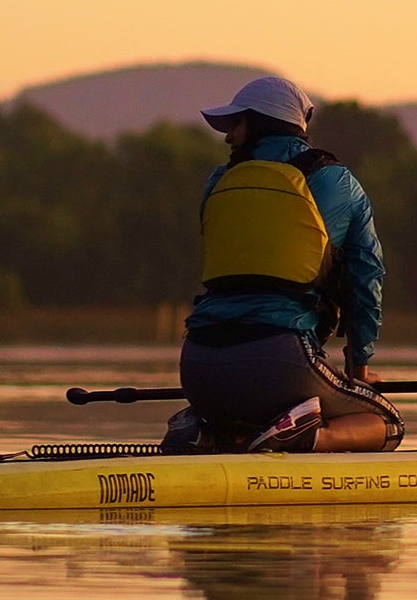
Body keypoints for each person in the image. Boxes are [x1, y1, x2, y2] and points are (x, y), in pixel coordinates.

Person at [162, 74, 404, 455]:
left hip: (198, 364)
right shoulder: (338, 182)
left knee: (246, 417)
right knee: (385, 422)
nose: (227, 136)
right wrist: (358, 373)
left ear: (262, 124)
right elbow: (365, 281)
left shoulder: (218, 182)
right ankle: (308, 435)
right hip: (279, 360)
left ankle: (200, 428)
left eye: (235, 124)